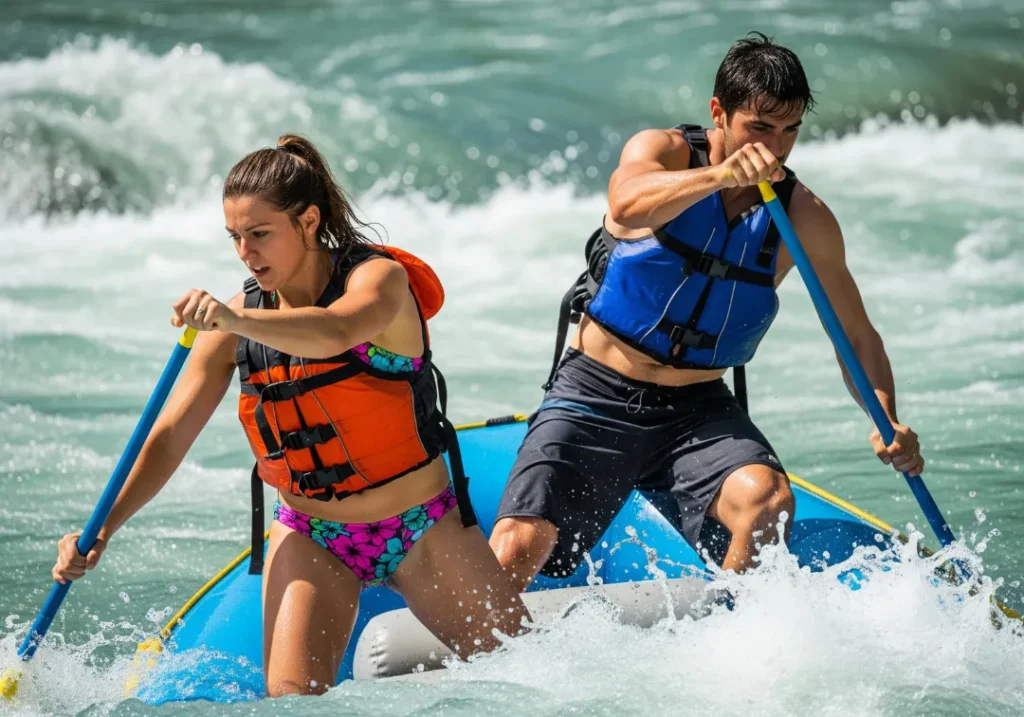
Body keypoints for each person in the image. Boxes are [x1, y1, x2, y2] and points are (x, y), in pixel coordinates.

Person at [52, 134, 529, 696]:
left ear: (307, 222)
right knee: (293, 705)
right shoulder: (238, 321)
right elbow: (170, 434)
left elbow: (336, 331)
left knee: (530, 681)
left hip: (420, 526)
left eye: (259, 234)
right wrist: (103, 527)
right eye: (235, 238)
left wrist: (233, 321)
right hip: (312, 535)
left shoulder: (377, 281)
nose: (246, 254)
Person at [489, 32, 925, 592]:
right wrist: (722, 176)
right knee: (517, 548)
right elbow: (625, 200)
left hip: (696, 409)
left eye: (790, 130)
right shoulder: (665, 152)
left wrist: (883, 415)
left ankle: (727, 643)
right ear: (719, 113)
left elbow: (854, 334)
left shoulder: (804, 217)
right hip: (596, 389)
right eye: (760, 128)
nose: (777, 147)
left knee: (768, 501)